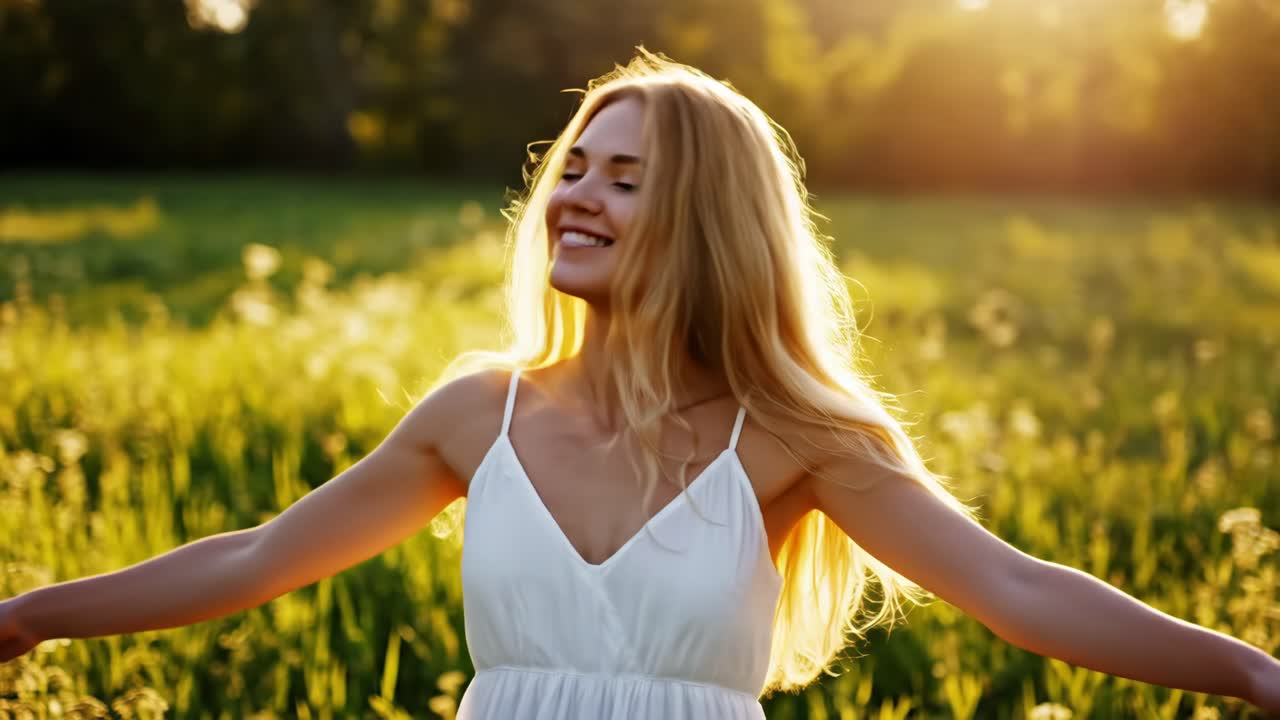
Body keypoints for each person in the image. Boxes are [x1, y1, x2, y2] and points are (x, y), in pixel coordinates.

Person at [1, 47, 1278, 719]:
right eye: (574, 165)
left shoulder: (791, 440)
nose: (574, 197)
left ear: (705, 219)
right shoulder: (473, 414)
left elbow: (1012, 589)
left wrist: (1250, 674)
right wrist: (25, 618)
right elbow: (250, 562)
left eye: (623, 178)